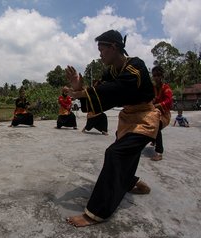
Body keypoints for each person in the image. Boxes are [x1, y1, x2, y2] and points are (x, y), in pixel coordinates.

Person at [65, 30, 160, 227]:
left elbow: (116, 90)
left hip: (145, 118)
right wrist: (78, 89)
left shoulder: (135, 66)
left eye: (102, 50)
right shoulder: (112, 71)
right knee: (126, 154)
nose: (100, 55)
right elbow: (99, 90)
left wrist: (82, 93)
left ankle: (95, 213)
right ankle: (130, 183)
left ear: (114, 47)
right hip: (128, 119)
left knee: (115, 154)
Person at [150, 66, 173, 161]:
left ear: (161, 76)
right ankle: (154, 139)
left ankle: (159, 152)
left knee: (156, 125)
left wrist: (158, 105)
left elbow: (169, 101)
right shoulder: (152, 88)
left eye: (158, 75)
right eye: (154, 75)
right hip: (154, 112)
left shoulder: (166, 88)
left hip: (164, 115)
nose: (156, 78)